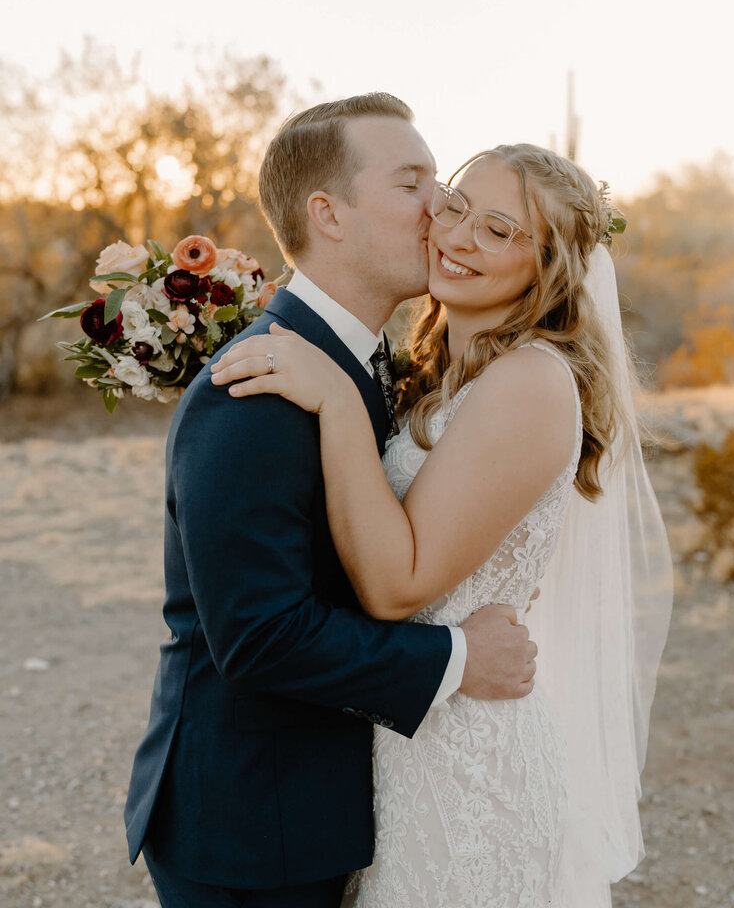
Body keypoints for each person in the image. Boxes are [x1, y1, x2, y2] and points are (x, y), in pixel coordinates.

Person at [212, 141, 674, 906]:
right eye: (456, 207)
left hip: (469, 763)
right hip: (404, 732)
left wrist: (333, 400)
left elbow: (398, 586)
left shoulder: (529, 381)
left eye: (499, 231)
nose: (458, 236)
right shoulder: (443, 370)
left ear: (549, 269)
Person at [124, 94, 538, 908]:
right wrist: (459, 659)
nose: (441, 208)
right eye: (412, 184)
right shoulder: (255, 386)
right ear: (329, 214)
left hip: (319, 802)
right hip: (252, 828)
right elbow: (261, 635)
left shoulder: (357, 366)